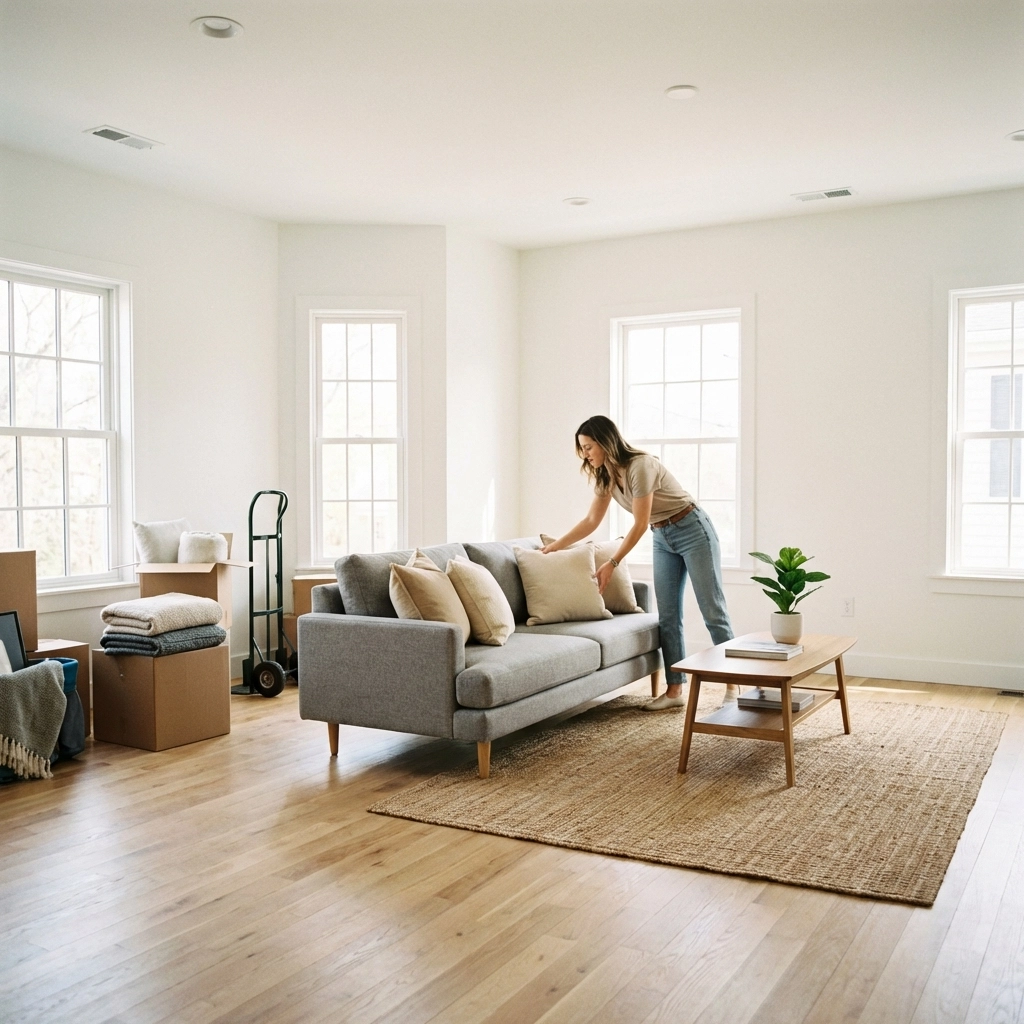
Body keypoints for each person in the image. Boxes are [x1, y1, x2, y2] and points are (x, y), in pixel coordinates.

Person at [541, 415, 736, 710]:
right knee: (668, 616)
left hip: (692, 529)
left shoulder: (640, 466)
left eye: (589, 446)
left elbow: (640, 522)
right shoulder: (605, 476)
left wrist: (613, 562)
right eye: (582, 448)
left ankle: (733, 687)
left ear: (606, 442)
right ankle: (674, 692)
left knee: (713, 610)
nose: (585, 454)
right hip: (663, 536)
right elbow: (592, 520)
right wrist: (556, 546)